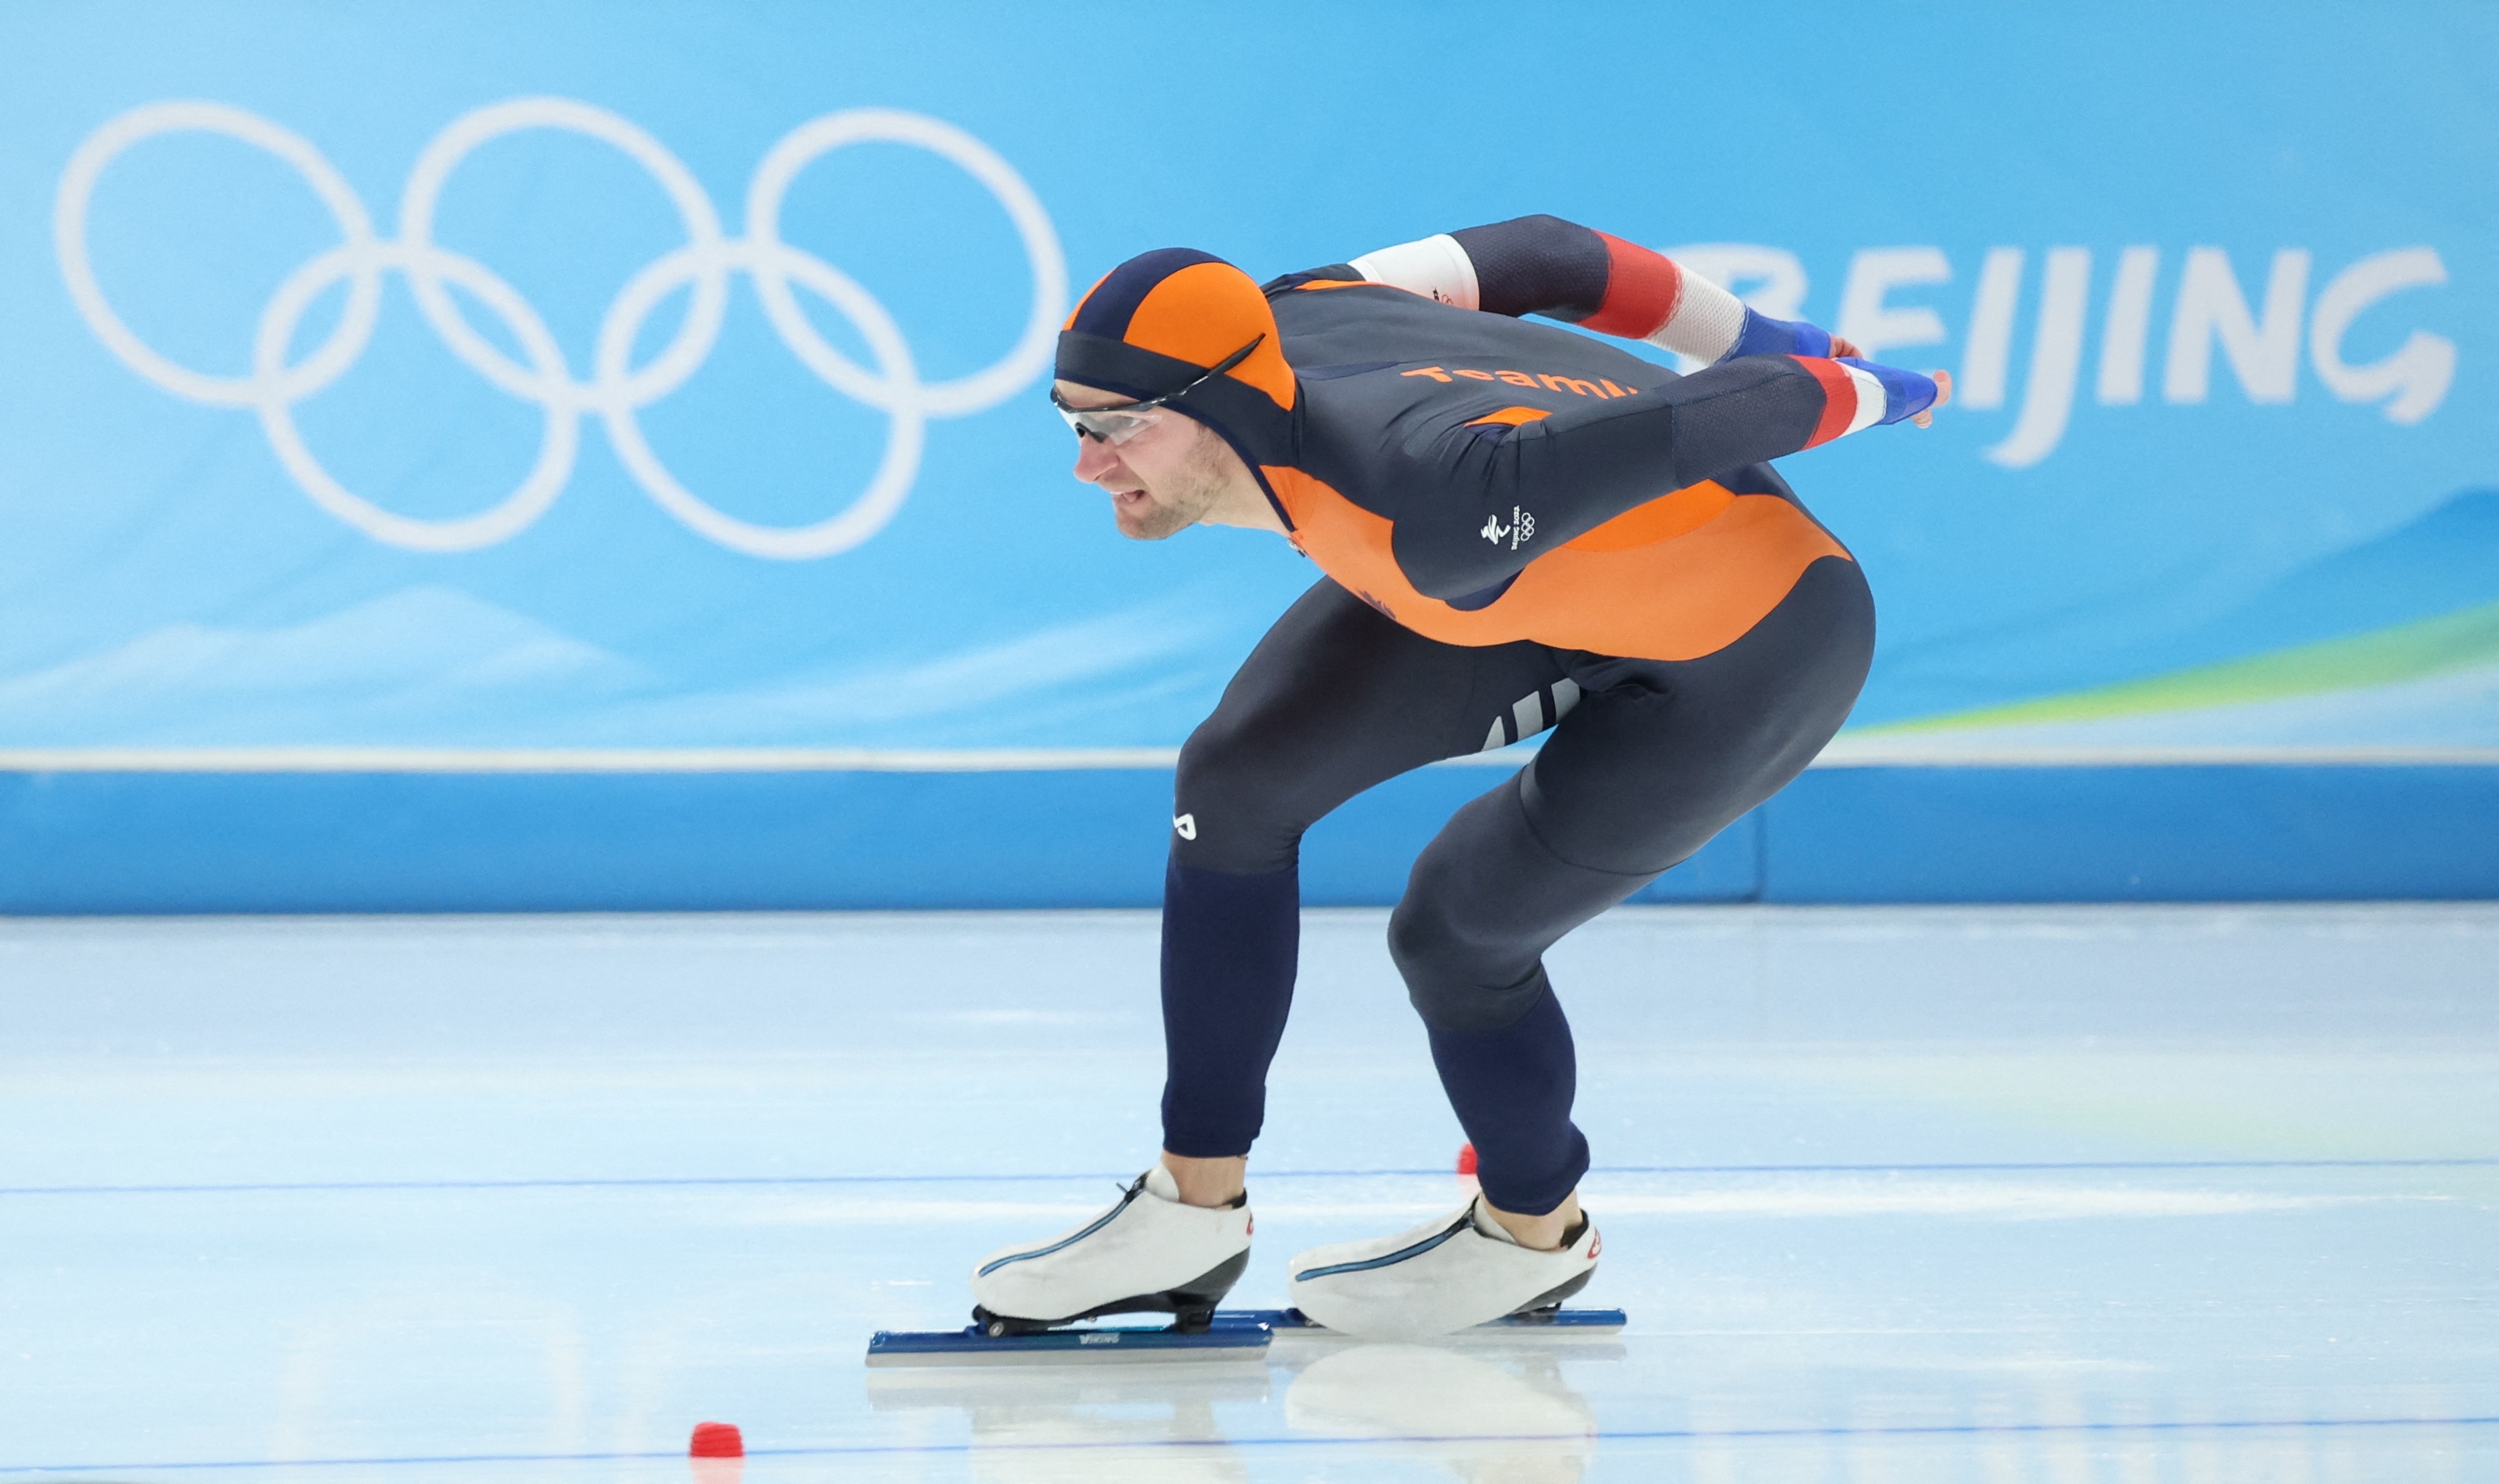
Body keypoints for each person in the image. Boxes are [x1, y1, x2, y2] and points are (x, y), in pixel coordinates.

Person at [967, 216, 1948, 1342]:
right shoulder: (1292, 308)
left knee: (1455, 927)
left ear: (1222, 406)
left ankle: (1532, 1232)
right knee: (1233, 783)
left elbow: (1731, 413)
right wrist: (1754, 324)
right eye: (1075, 425)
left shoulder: (1429, 498)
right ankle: (1192, 1207)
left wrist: (1878, 385)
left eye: (1121, 429)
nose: (1087, 464)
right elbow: (1544, 254)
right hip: (1527, 568)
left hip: (1755, 643)